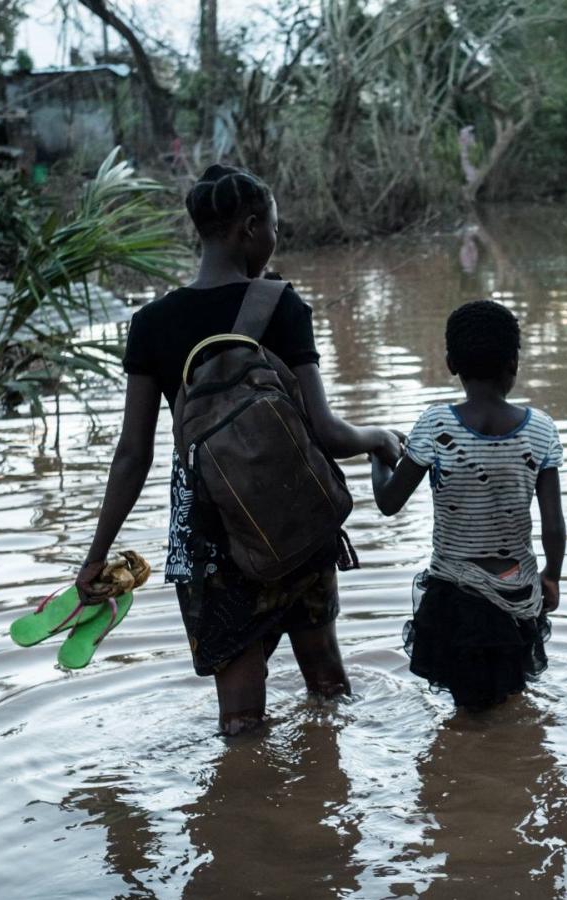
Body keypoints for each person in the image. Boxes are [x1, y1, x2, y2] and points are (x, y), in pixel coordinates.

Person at [76, 164, 401, 734]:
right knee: (328, 688)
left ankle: (245, 815)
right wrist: (379, 438)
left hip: (211, 534)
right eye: (274, 227)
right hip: (297, 521)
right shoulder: (281, 304)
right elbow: (325, 432)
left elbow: (133, 453)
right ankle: (331, 803)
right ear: (250, 229)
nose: (276, 238)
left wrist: (95, 555)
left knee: (241, 722)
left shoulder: (151, 324)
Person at [370, 300, 566, 709]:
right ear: (513, 363)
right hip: (519, 598)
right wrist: (552, 576)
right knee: (512, 703)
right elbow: (553, 524)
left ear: (449, 363)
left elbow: (389, 503)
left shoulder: (435, 425)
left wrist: (378, 454)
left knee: (468, 715)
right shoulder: (542, 430)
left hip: (454, 600)